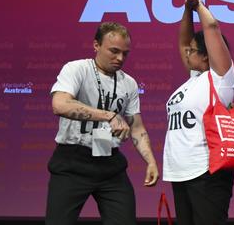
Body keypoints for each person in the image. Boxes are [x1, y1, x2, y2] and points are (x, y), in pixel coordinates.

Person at [46, 22, 158, 225]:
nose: (120, 58)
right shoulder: (77, 69)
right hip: (73, 161)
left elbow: (137, 126)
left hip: (109, 164)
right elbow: (59, 104)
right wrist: (108, 115)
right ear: (96, 45)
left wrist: (150, 161)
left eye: (125, 53)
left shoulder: (129, 83)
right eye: (114, 51)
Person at [162, 0, 234, 225]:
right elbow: (184, 41)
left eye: (193, 51)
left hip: (207, 172)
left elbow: (213, 27)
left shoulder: (221, 79)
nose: (187, 53)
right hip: (181, 172)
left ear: (206, 56)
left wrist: (199, 6)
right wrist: (186, 11)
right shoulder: (193, 79)